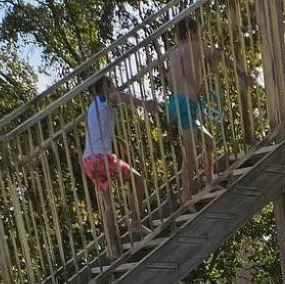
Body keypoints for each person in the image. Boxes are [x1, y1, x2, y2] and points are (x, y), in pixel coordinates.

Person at [165, 14, 250, 204]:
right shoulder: (194, 46)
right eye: (198, 32)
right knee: (190, 155)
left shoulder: (174, 52)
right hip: (186, 104)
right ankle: (186, 197)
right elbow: (219, 55)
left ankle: (210, 180)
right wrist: (241, 74)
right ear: (191, 33)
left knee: (209, 142)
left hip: (178, 103)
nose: (200, 36)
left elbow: (173, 79)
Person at [82, 74, 155, 257]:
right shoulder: (106, 98)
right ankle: (135, 221)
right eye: (111, 85)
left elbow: (98, 132)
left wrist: (117, 141)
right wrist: (144, 104)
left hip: (90, 162)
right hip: (102, 159)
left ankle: (112, 248)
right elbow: (120, 97)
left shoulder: (92, 107)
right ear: (105, 88)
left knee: (108, 205)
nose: (114, 88)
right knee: (138, 180)